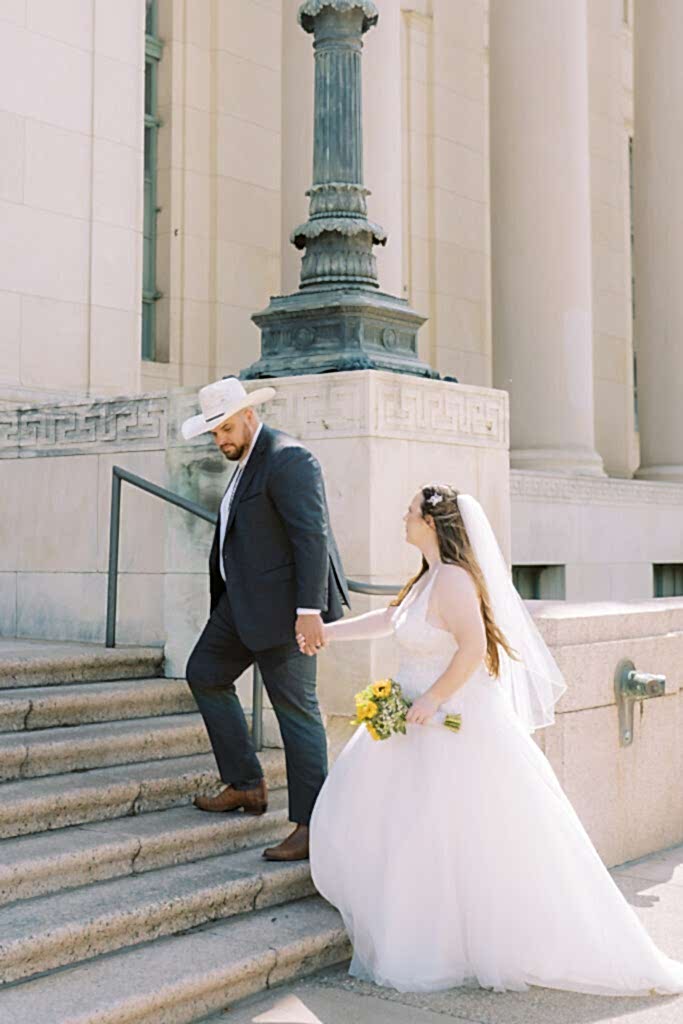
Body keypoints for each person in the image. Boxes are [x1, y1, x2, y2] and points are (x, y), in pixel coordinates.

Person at [307, 484, 683, 996]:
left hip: (451, 721)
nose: (403, 515)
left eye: (411, 510)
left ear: (432, 523)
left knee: (463, 832)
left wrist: (434, 698)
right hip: (414, 723)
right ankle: (429, 929)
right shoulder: (428, 576)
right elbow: (390, 620)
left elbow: (474, 647)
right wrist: (330, 633)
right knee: (420, 833)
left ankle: (468, 941)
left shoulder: (456, 580)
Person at [182, 376, 349, 862]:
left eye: (226, 428)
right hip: (239, 606)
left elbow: (311, 537)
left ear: (250, 415)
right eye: (214, 433)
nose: (221, 440)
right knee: (204, 674)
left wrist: (309, 612)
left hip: (285, 612)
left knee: (297, 714)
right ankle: (246, 784)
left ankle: (311, 825)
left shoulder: (287, 458)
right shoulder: (246, 461)